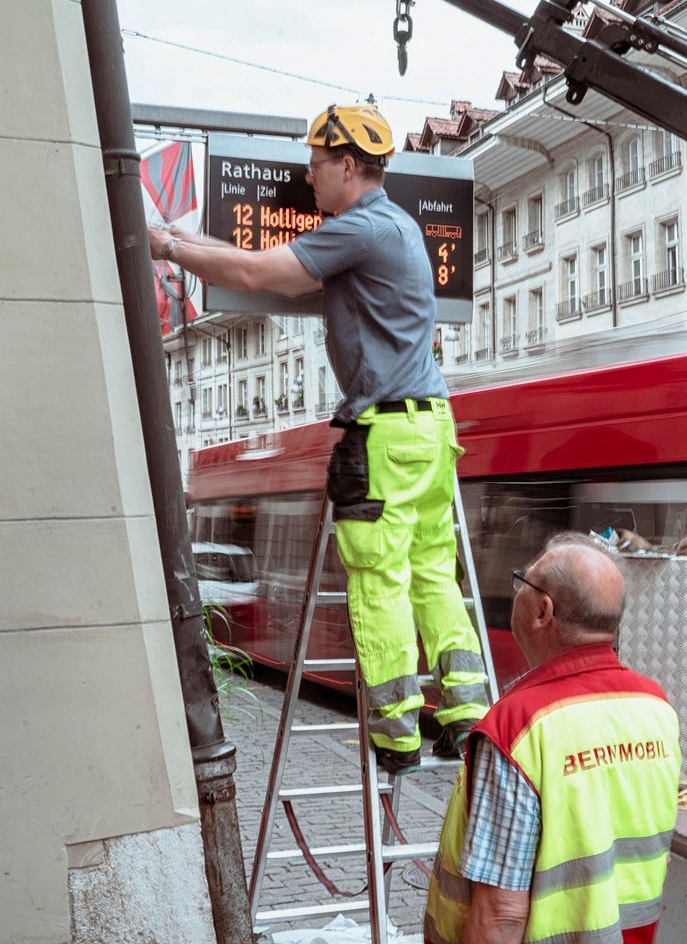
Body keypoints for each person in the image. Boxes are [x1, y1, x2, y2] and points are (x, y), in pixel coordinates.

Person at [146, 103, 488, 774]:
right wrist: (184, 240)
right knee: (430, 575)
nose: (307, 179)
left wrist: (165, 247)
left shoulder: (360, 229)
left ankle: (394, 735)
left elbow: (252, 275)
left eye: (316, 165)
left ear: (349, 166)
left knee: (379, 579)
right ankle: (467, 715)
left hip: (385, 432)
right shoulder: (400, 228)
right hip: (430, 428)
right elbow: (250, 260)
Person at [424, 534, 682, 944]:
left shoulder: (518, 727)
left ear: (543, 611)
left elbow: (501, 918)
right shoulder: (655, 706)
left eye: (521, 583)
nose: (516, 594)